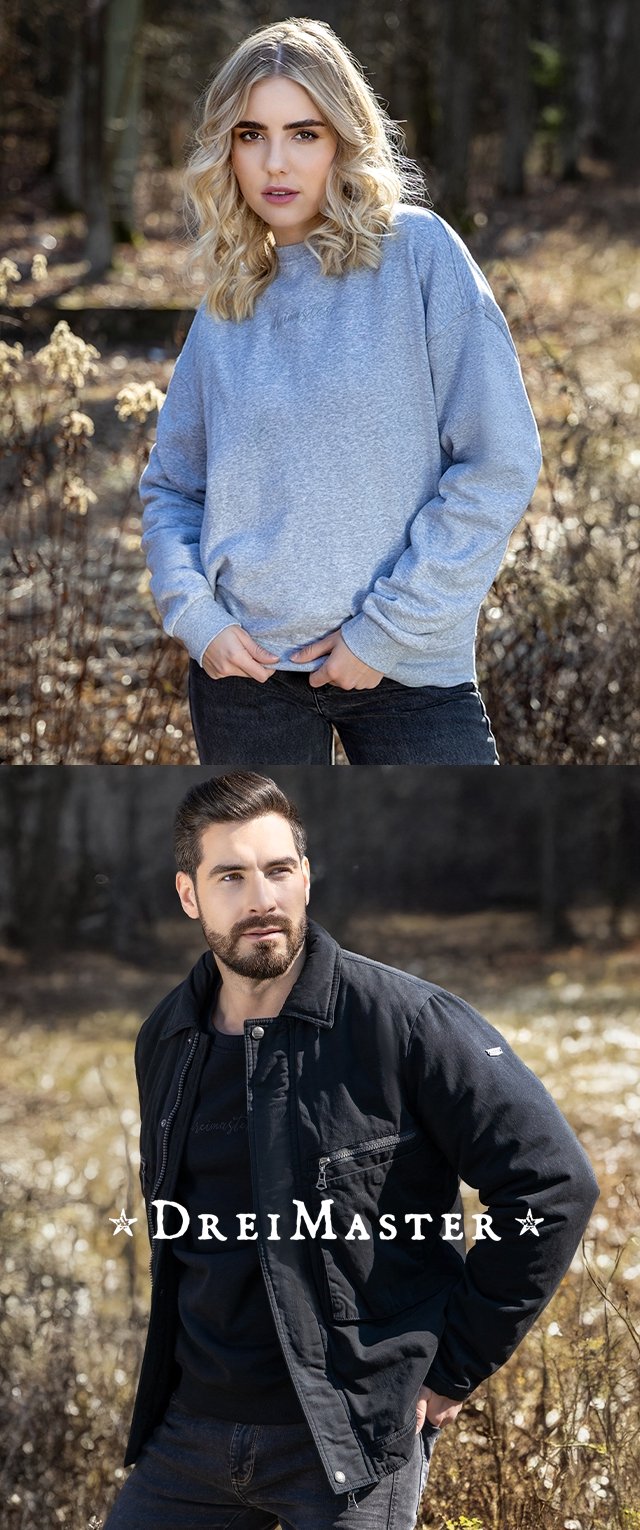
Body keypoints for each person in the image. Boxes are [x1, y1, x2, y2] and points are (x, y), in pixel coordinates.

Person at [104, 771, 599, 1530]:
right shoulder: (167, 1036)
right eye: (230, 876)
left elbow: (552, 1183)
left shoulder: (407, 1022)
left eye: (277, 870)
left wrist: (454, 1369)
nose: (261, 898)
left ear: (305, 878)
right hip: (190, 1434)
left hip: (347, 1441)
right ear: (189, 895)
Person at [139, 18, 542, 767]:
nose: (276, 162)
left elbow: (498, 461)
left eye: (305, 133)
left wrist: (383, 634)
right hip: (248, 677)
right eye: (251, 134)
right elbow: (172, 488)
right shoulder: (228, 302)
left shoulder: (418, 255)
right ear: (226, 148)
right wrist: (197, 618)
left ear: (344, 140)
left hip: (410, 667)